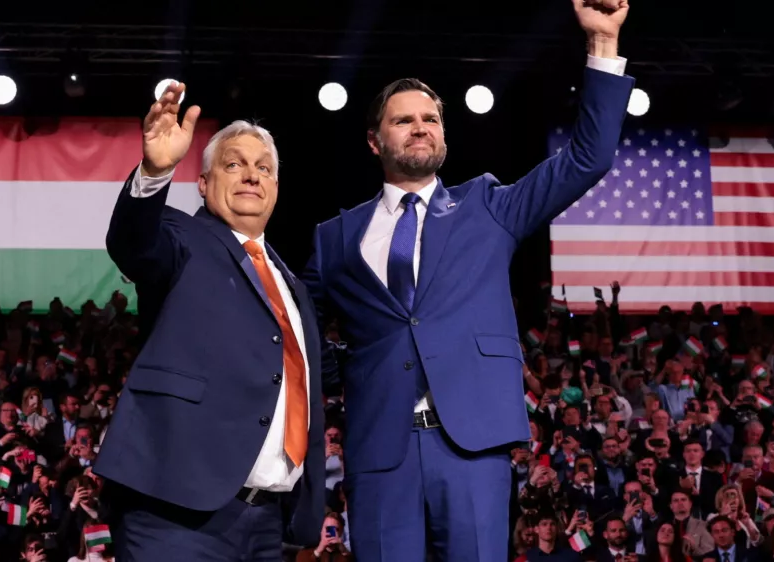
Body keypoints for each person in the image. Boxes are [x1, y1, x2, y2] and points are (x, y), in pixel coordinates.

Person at [301, 1, 633, 560]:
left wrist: (602, 44)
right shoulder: (335, 236)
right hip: (381, 452)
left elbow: (586, 158)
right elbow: (295, 324)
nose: (420, 128)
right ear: (374, 141)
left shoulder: (488, 205)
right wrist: (346, 367)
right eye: (403, 120)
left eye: (430, 119)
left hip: (472, 446)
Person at [94, 82, 325, 560]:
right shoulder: (182, 236)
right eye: (233, 164)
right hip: (174, 510)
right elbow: (133, 244)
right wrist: (155, 172)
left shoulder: (292, 285)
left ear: (276, 190)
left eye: (264, 169)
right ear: (202, 183)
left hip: (267, 521)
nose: (251, 176)